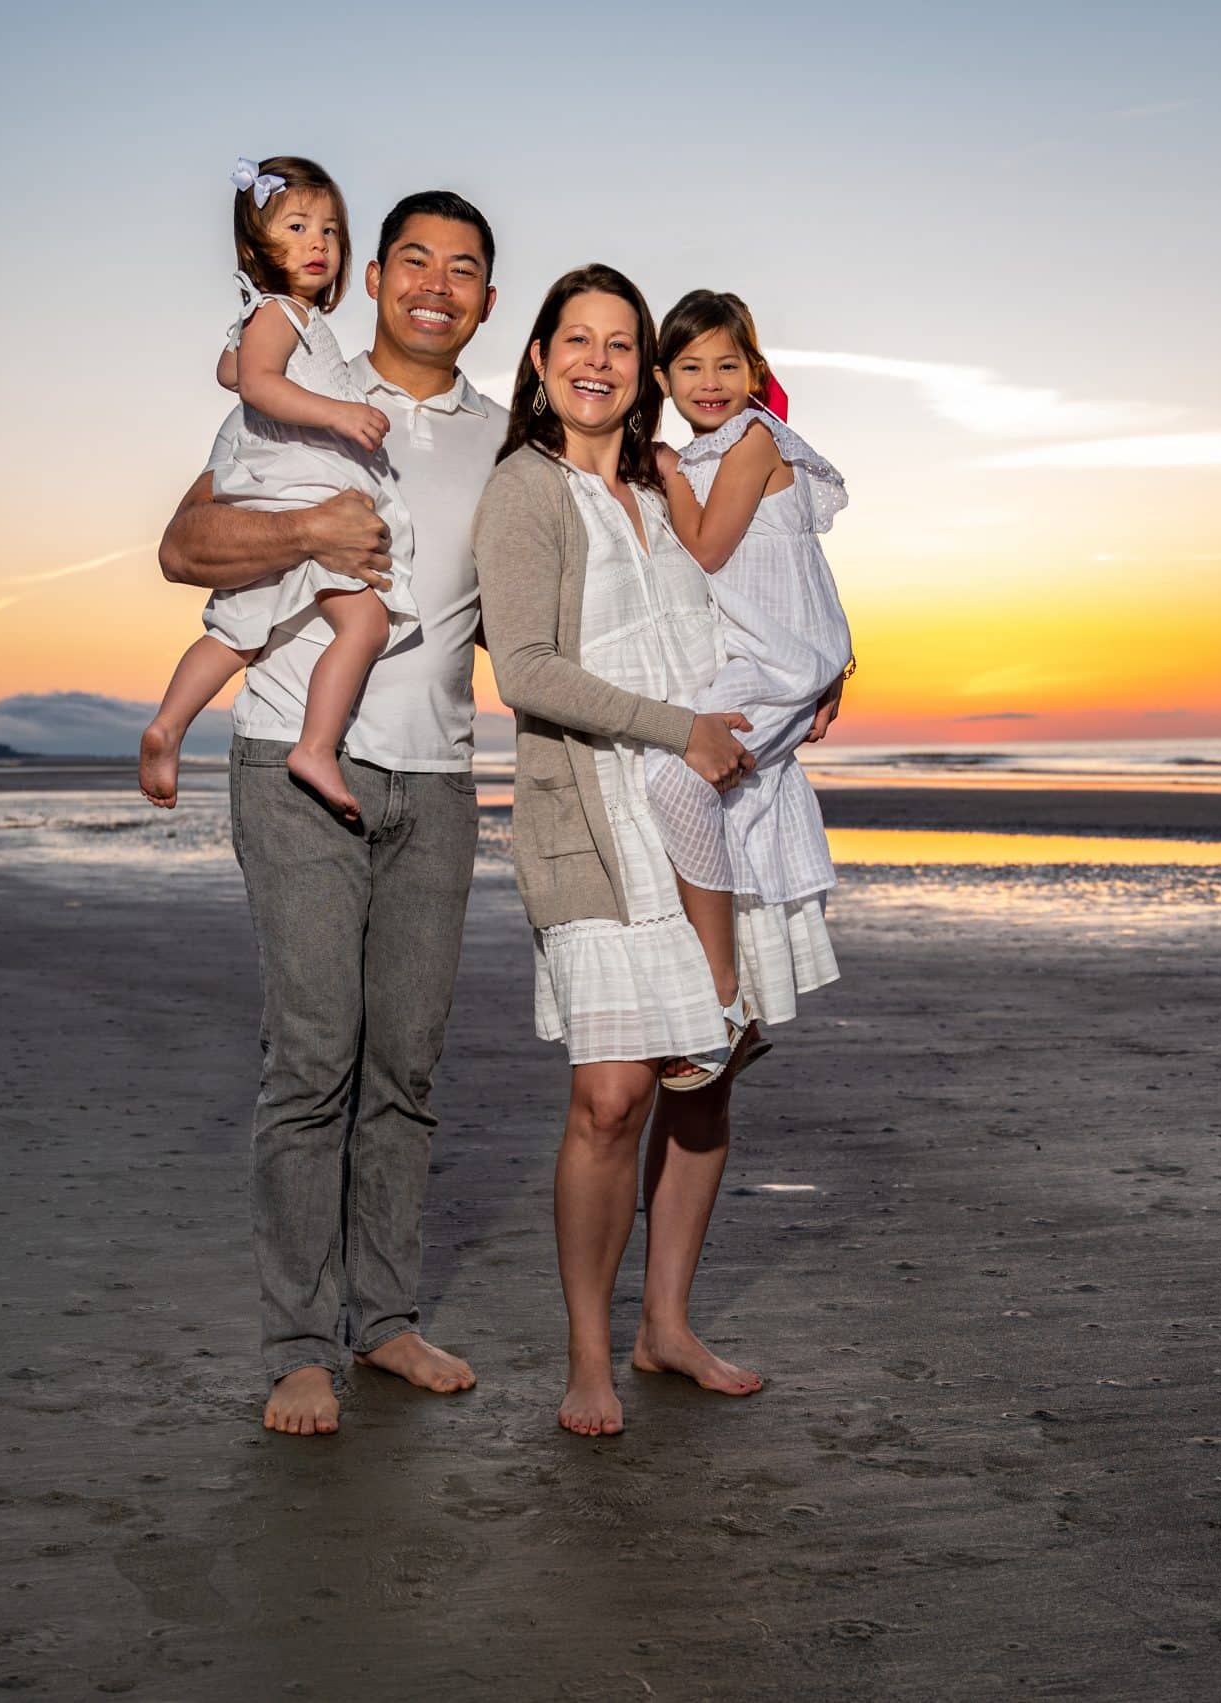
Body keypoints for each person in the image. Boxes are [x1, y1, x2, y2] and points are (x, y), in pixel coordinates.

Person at [156, 191, 503, 1437]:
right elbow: (185, 543)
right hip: (295, 766)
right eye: (413, 258)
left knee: (404, 1066)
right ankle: (299, 1343)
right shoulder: (304, 381)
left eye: (463, 269)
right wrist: (306, 525)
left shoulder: (506, 443)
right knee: (312, 1061)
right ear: (372, 276)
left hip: (441, 779)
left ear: (487, 301)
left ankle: (388, 1320)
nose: (435, 283)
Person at [472, 265, 837, 1437]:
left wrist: (833, 657)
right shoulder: (523, 492)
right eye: (574, 340)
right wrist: (679, 728)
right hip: (595, 810)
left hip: (718, 805)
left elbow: (761, 583)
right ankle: (590, 1352)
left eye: (620, 343)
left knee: (704, 1083)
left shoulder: (669, 474)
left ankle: (665, 1326)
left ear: (644, 372)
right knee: (610, 1095)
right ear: (537, 361)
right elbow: (523, 669)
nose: (598, 360)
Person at [140, 156, 417, 823]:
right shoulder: (284, 314)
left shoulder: (272, 315)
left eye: (329, 230)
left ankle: (168, 727)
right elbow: (256, 383)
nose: (319, 243)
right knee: (367, 620)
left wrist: (248, 348)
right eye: (297, 226)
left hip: (274, 491)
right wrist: (339, 414)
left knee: (237, 631)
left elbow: (230, 370)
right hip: (301, 493)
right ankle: (316, 747)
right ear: (256, 246)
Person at [644, 290, 853, 1089]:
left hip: (781, 661)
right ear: (662, 376)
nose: (709, 380)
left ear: (754, 371)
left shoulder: (753, 441)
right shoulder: (718, 449)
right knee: (738, 800)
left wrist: (664, 469)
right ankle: (747, 996)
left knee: (678, 781)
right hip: (774, 652)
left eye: (727, 363)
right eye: (690, 365)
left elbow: (705, 547)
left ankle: (723, 1002)